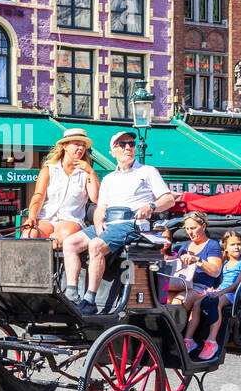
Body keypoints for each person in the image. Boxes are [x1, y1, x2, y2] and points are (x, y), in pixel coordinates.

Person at [61, 131, 176, 315]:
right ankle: (72, 293)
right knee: (70, 243)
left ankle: (90, 299)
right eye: (123, 145)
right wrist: (98, 222)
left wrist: (151, 206)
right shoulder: (108, 179)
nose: (129, 148)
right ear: (113, 151)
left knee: (96, 245)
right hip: (110, 223)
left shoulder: (147, 172)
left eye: (131, 144)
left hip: (132, 223)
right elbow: (101, 207)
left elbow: (169, 199)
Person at [22, 128, 100, 245]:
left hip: (71, 219)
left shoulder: (85, 173)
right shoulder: (49, 170)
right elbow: (38, 196)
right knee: (28, 236)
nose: (81, 148)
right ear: (65, 146)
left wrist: (91, 171)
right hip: (46, 218)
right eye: (77, 144)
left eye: (83, 146)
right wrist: (32, 216)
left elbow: (96, 198)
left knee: (60, 238)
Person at [183, 231, 241, 360]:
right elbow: (220, 281)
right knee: (197, 303)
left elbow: (237, 284)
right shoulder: (224, 263)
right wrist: (212, 290)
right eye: (233, 245)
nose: (236, 247)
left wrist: (220, 292)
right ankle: (188, 339)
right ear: (226, 248)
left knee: (215, 302)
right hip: (221, 291)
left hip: (233, 293)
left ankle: (212, 341)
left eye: (239, 244)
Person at [169, 212, 224, 306]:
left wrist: (197, 260)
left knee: (177, 303)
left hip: (200, 287)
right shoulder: (184, 247)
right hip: (182, 284)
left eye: (193, 228)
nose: (190, 232)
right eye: (187, 228)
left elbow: (216, 272)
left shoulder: (212, 245)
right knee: (163, 300)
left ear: (203, 226)